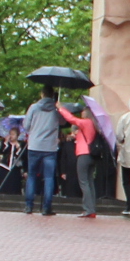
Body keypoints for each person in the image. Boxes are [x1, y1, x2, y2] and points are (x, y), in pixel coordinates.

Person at [19, 83, 65, 215]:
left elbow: (26, 126)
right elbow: (62, 122)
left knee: (32, 176)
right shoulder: (56, 110)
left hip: (34, 146)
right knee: (49, 177)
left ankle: (29, 206)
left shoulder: (34, 107)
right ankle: (46, 208)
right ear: (52, 95)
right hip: (50, 148)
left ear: (42, 94)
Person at [61, 104, 102, 217]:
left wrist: (61, 109)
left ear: (86, 113)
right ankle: (92, 208)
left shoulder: (86, 122)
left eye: (83, 111)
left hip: (83, 155)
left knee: (83, 182)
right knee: (90, 183)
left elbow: (71, 119)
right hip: (92, 155)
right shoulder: (94, 124)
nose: (81, 113)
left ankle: (88, 209)